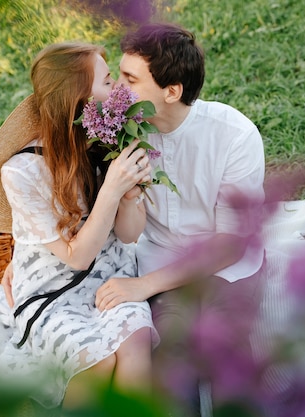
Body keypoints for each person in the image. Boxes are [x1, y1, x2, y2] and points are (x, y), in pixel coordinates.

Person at [0, 42, 159, 412]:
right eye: (107, 81)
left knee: (134, 342)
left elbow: (130, 235)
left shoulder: (108, 143)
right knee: (96, 364)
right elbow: (76, 256)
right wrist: (112, 189)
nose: (119, 89)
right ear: (79, 101)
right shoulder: (21, 171)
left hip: (110, 275)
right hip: (52, 290)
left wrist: (131, 194)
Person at [90, 22, 267, 413]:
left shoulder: (234, 137)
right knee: (172, 365)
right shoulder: (122, 134)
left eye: (129, 78)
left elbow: (229, 245)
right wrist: (127, 195)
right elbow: (128, 231)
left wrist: (143, 286)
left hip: (227, 267)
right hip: (163, 257)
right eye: (118, 74)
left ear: (171, 92)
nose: (116, 88)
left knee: (226, 354)